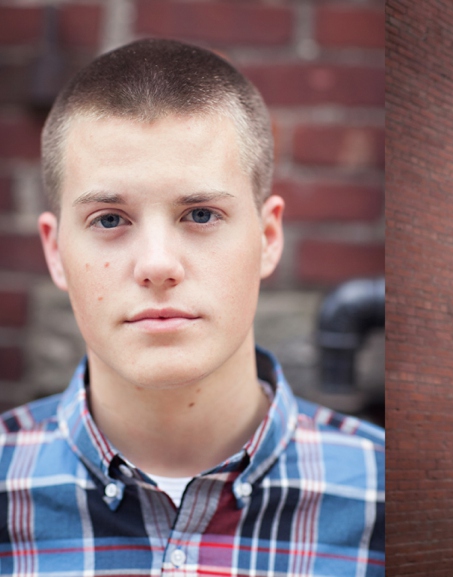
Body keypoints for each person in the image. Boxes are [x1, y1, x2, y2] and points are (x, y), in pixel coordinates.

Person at [0, 39, 384, 576]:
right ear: (54, 251)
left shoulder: (383, 494)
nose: (158, 265)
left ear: (269, 237)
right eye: (109, 219)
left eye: (201, 215)